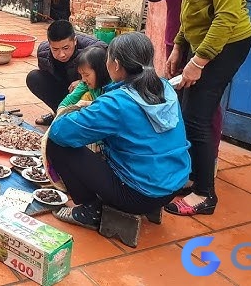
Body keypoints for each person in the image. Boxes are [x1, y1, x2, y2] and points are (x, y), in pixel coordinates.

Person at [162, 0, 251, 216]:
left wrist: (198, 61)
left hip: (226, 45)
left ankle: (204, 194)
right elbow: (192, 10)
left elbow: (226, 15)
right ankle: (192, 177)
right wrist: (178, 46)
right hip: (201, 41)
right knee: (187, 112)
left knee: (198, 116)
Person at [46, 32, 191, 229]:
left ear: (115, 64)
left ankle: (90, 210)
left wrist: (84, 112)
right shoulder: (164, 87)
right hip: (173, 186)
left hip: (138, 195)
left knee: (55, 144)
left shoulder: (117, 103)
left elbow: (59, 132)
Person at [137, 0, 223, 192]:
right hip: (175, 43)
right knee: (180, 102)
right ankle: (185, 159)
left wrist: (200, 58)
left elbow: (224, 13)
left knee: (204, 106)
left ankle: (207, 160)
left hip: (206, 47)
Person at [26, 20, 103, 126]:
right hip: (65, 88)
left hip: (87, 90)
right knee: (34, 77)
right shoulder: (43, 53)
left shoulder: (94, 48)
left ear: (75, 41)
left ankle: (82, 119)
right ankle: (59, 114)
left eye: (66, 48)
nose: (61, 54)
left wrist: (82, 81)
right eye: (55, 49)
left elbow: (106, 75)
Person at [57, 45, 111, 110]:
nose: (83, 79)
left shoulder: (114, 87)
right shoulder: (85, 84)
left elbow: (108, 107)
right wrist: (61, 110)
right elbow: (67, 101)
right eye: (81, 75)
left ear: (100, 71)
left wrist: (85, 104)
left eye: (86, 75)